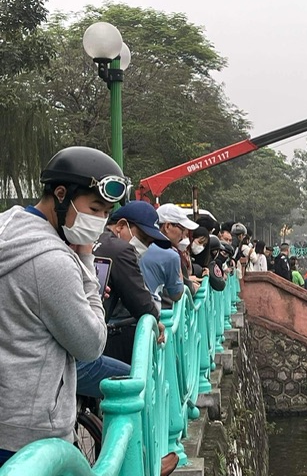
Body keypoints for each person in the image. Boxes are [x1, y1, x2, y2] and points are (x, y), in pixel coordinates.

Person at [0, 146, 125, 465]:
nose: (100, 221)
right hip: (31, 437)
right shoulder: (53, 262)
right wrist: (85, 260)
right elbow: (91, 344)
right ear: (60, 194)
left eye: (106, 213)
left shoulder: (8, 226)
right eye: (95, 208)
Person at [93, 200, 170, 366]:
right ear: (121, 226)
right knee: (138, 384)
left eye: (149, 243)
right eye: (143, 238)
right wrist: (156, 321)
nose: (144, 246)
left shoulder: (93, 240)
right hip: (90, 344)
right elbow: (140, 302)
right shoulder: (120, 250)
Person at [140, 203, 198, 310]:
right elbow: (177, 294)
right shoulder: (171, 255)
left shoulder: (139, 246)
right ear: (167, 226)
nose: (183, 235)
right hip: (158, 315)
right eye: (182, 229)